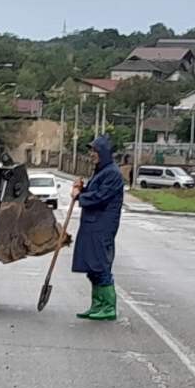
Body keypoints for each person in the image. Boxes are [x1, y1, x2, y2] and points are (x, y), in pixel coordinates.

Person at [71, 134, 124, 320]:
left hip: (102, 226)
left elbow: (100, 197)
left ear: (104, 152)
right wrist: (82, 189)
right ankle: (97, 305)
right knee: (91, 265)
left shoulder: (112, 173)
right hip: (91, 224)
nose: (91, 154)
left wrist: (79, 196)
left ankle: (108, 307)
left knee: (100, 264)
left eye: (95, 150)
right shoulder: (101, 172)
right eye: (91, 150)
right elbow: (94, 192)